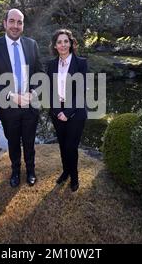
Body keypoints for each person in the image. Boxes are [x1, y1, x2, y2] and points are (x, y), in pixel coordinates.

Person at [0, 9, 43, 188]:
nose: (15, 26)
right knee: (14, 142)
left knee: (30, 142)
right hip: (8, 106)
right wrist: (11, 95)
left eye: (20, 22)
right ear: (5, 23)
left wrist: (33, 92)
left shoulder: (32, 44)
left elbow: (40, 73)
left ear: (23, 25)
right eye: (12, 21)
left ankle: (31, 170)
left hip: (30, 104)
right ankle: (16, 171)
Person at [46, 29, 88, 192]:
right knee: (63, 145)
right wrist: (57, 111)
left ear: (70, 43)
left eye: (65, 41)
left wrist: (68, 112)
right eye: (59, 42)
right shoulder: (51, 65)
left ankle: (74, 176)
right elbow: (50, 90)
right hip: (57, 110)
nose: (63, 45)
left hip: (76, 112)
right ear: (55, 46)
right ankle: (65, 172)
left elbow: (81, 90)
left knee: (71, 146)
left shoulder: (81, 63)